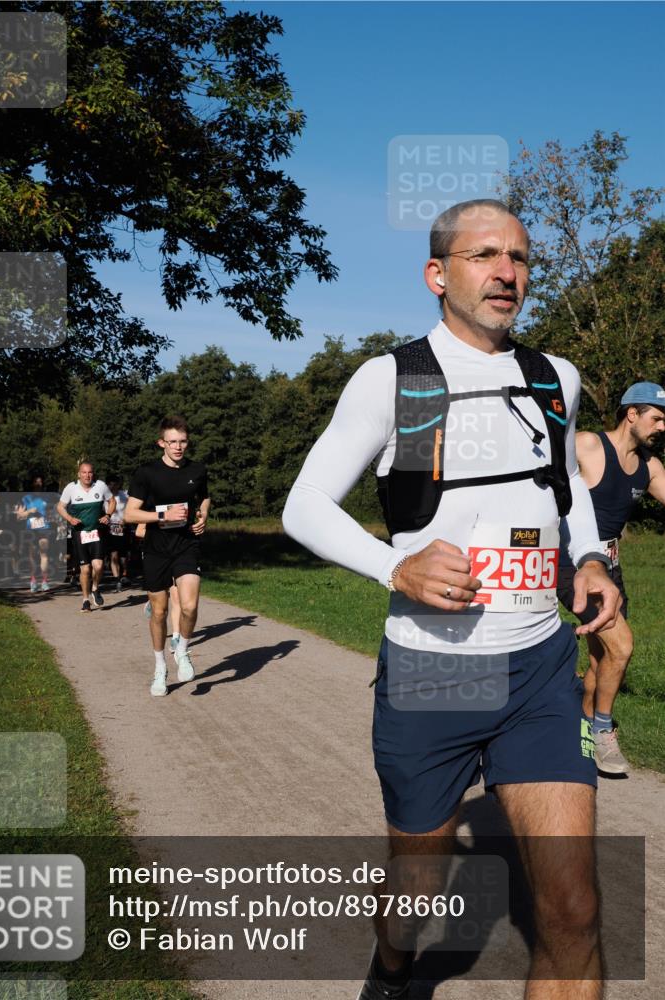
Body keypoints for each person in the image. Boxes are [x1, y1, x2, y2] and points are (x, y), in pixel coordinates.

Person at [283, 199, 621, 1000]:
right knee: (415, 902)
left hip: (540, 667)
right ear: (439, 274)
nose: (508, 272)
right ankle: (393, 964)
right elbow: (304, 506)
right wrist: (390, 568)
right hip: (433, 674)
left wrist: (594, 558)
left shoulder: (553, 377)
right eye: (483, 256)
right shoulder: (393, 378)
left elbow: (566, 485)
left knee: (573, 911)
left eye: (520, 257)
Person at [556, 382, 665, 775]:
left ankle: (580, 731)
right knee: (622, 644)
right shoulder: (586, 445)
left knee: (603, 662)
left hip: (612, 570)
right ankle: (603, 730)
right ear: (631, 414)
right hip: (573, 564)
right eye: (657, 417)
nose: (662, 426)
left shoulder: (649, 467)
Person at [124, 416, 210, 696]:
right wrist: (162, 515)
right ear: (162, 442)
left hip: (186, 544)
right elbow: (129, 514)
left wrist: (203, 515)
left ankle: (182, 650)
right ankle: (159, 667)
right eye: (172, 441)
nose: (178, 447)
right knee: (159, 611)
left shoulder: (197, 470)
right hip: (156, 548)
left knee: (189, 606)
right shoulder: (147, 473)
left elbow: (204, 497)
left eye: (182, 441)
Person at [57, 462, 115, 613]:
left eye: (90, 472)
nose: (87, 475)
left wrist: (108, 515)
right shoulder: (71, 488)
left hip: (96, 531)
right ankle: (85, 600)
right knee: (85, 569)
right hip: (80, 533)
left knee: (99, 566)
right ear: (79, 474)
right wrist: (70, 519)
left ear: (93, 474)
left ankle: (95, 588)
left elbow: (112, 500)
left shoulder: (100, 486)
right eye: (84, 472)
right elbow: (60, 507)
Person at [16, 474, 53, 592]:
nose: (39, 484)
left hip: (44, 528)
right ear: (32, 483)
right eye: (36, 482)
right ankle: (33, 581)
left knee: (44, 554)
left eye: (40, 482)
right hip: (30, 529)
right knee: (32, 556)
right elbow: (19, 516)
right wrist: (29, 512)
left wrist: (49, 517)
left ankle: (44, 581)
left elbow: (51, 513)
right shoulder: (26, 498)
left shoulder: (47, 497)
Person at [106, 475, 130, 592]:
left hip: (123, 527)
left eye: (115, 483)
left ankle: (124, 574)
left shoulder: (125, 495)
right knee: (113, 554)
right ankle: (117, 579)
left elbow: (130, 509)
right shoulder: (104, 497)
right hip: (109, 528)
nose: (113, 486)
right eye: (110, 484)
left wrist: (125, 520)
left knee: (123, 556)